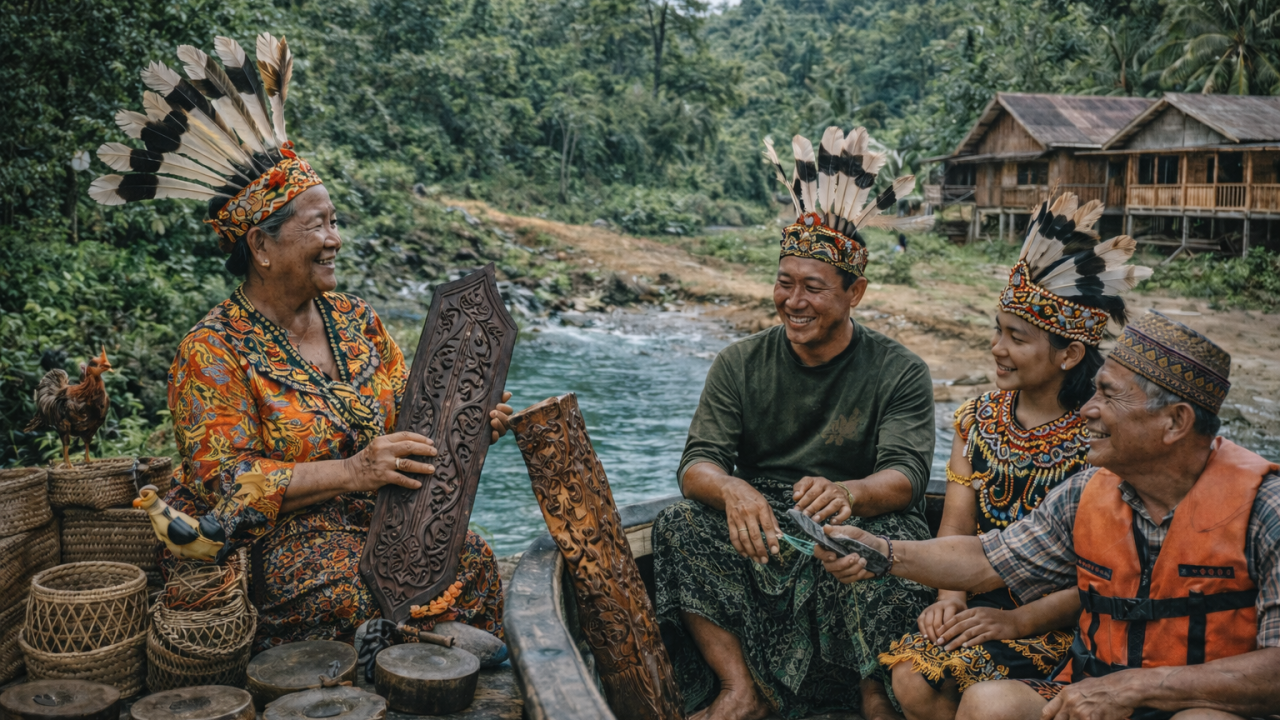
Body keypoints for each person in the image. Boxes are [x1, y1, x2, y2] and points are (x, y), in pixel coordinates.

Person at [88, 33, 511, 650]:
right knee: (352, 589)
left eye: (334, 221)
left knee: (472, 558)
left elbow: (405, 422)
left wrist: (463, 427)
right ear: (261, 246)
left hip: (382, 521)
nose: (335, 238)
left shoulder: (355, 319)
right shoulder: (211, 351)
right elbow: (224, 486)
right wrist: (352, 470)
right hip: (278, 546)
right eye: (318, 225)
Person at [818, 311, 1280, 720]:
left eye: (1109, 397)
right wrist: (881, 551)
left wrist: (1136, 687)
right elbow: (983, 559)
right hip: (1090, 687)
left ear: (1175, 423)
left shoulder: (1265, 510)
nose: (1090, 411)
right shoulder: (1088, 493)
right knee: (987, 704)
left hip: (1196, 703)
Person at [652, 126, 937, 720]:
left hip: (855, 518)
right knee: (679, 526)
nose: (794, 301)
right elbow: (697, 463)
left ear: (854, 292)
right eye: (785, 283)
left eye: (813, 287)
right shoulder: (739, 362)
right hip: (769, 518)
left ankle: (872, 700)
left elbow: (907, 478)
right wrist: (733, 488)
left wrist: (848, 495)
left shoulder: (900, 370)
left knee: (897, 550)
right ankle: (739, 688)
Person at [879, 194, 1151, 719]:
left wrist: (1016, 624)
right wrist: (949, 601)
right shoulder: (977, 420)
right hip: (977, 597)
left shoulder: (1100, 438)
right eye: (996, 331)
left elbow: (1103, 578)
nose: (997, 349)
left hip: (1067, 620)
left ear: (1069, 353)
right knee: (911, 680)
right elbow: (957, 525)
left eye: (1016, 337)